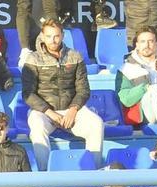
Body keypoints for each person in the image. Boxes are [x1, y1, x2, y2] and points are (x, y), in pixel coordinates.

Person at [23, 20, 104, 171]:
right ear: (42, 36)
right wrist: (50, 113)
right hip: (44, 112)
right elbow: (28, 94)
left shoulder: (75, 56)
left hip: (72, 110)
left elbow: (83, 90)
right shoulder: (33, 58)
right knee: (37, 125)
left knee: (96, 123)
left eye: (56, 36)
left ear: (63, 35)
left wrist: (73, 110)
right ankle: (44, 176)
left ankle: (95, 176)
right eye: (48, 36)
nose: (53, 40)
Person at [115, 27, 157, 127]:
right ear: (137, 45)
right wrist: (145, 88)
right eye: (143, 41)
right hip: (145, 116)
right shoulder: (126, 69)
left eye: (151, 41)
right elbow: (125, 100)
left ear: (156, 44)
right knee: (155, 89)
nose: (147, 45)